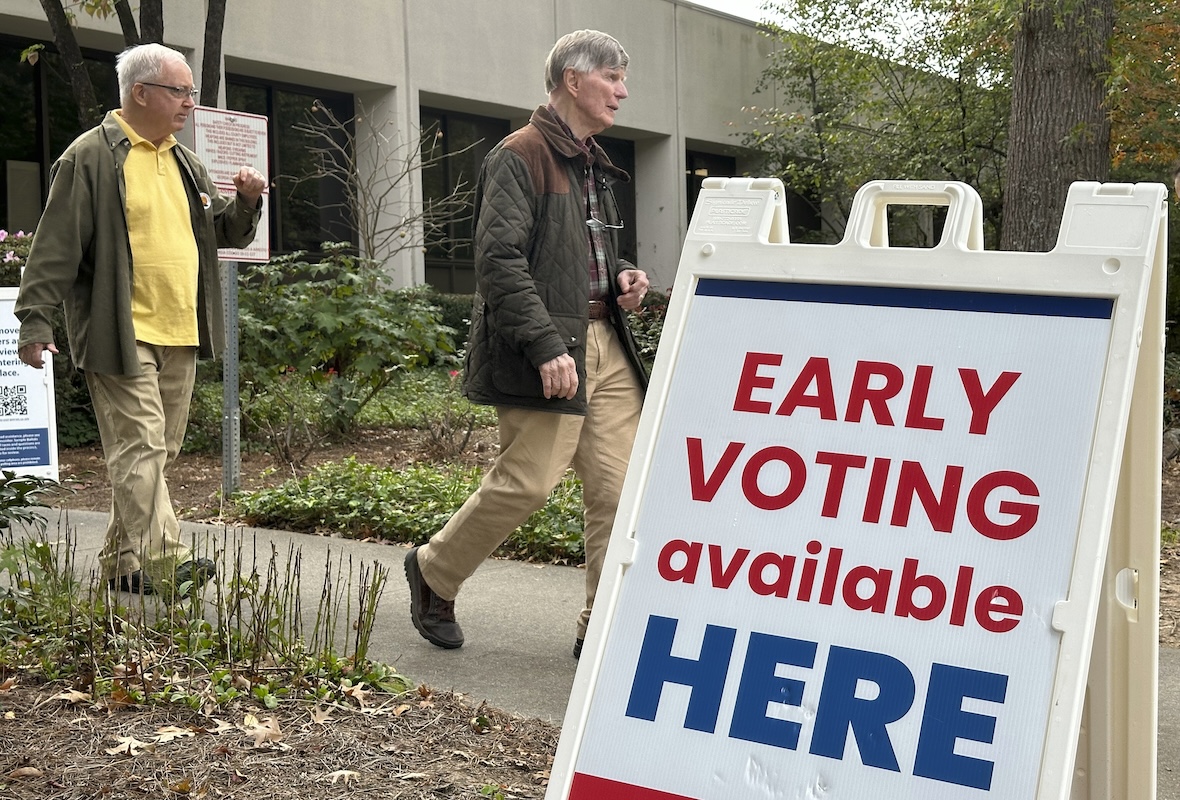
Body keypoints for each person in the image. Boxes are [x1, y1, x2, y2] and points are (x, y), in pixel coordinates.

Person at [404, 29, 650, 658]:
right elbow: (500, 262)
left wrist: (619, 275)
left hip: (607, 343)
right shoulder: (520, 154)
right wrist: (545, 345)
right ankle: (435, 571)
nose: (623, 91)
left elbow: (578, 254)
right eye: (613, 78)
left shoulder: (593, 160)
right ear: (574, 79)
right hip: (549, 347)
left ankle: (599, 625)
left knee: (618, 491)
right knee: (529, 482)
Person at [15, 42, 265, 597]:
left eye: (191, 92)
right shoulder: (90, 157)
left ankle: (121, 561)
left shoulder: (185, 161)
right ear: (141, 92)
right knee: (142, 448)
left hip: (181, 328)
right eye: (180, 91)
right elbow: (54, 248)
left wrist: (246, 202)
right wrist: (35, 322)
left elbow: (223, 234)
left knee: (155, 452)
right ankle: (165, 560)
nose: (190, 103)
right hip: (119, 331)